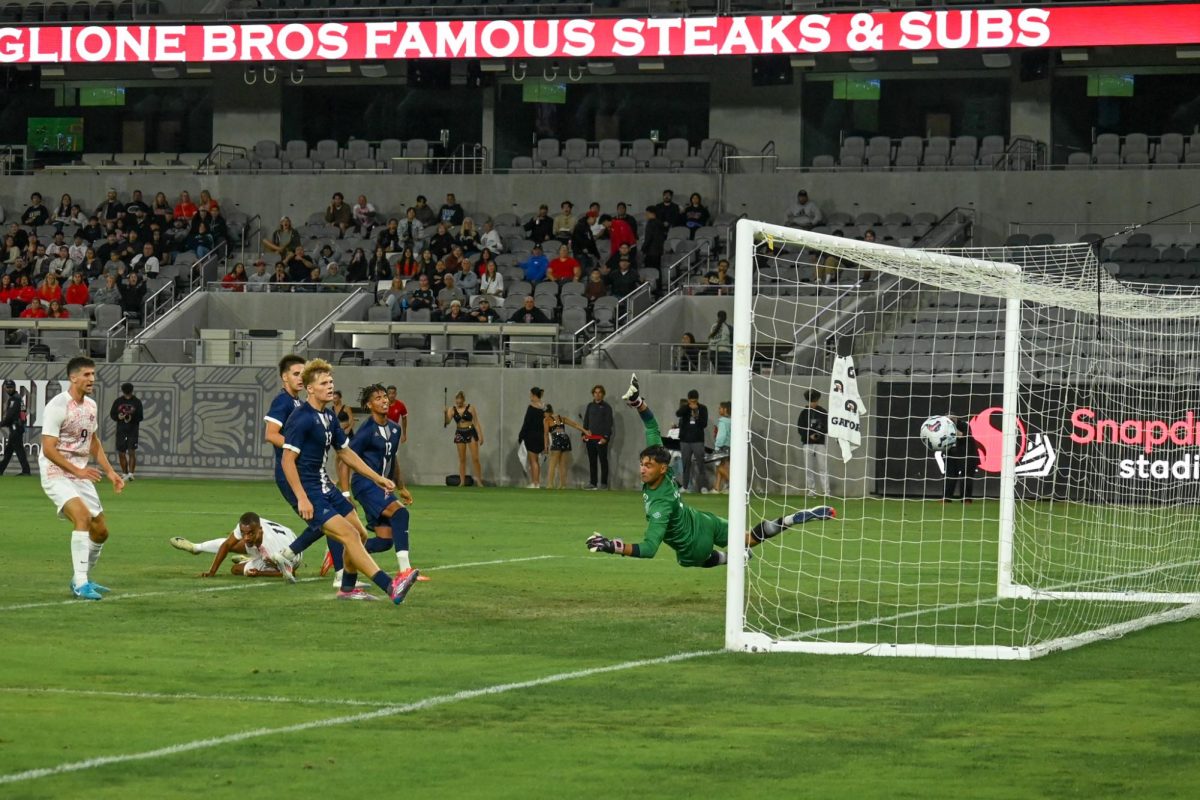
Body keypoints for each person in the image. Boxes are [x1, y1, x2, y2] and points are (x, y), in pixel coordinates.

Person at [585, 375, 835, 568]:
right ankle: (790, 520)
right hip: (703, 520)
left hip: (695, 544)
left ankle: (729, 559)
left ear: (662, 468)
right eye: (642, 464)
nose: (642, 469)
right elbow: (651, 424)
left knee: (687, 560)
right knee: (748, 538)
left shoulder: (659, 504)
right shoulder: (667, 471)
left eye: (647, 465)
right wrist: (638, 402)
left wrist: (612, 546)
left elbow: (649, 549)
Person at [271, 359, 419, 603]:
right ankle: (391, 586)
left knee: (360, 535)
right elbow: (287, 461)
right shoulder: (301, 417)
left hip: (324, 486)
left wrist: (378, 478)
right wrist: (302, 498)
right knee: (349, 535)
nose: (330, 386)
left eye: (331, 382)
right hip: (309, 490)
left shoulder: (328, 415)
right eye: (324, 383)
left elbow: (346, 453)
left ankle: (347, 588)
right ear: (310, 388)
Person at [39, 357, 125, 600]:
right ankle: (81, 583)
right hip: (56, 471)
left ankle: (82, 576)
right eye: (87, 375)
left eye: (93, 375)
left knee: (101, 531)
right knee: (82, 517)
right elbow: (48, 448)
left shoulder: (91, 406)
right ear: (73, 377)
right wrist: (76, 471)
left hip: (80, 472)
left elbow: (93, 441)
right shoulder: (58, 406)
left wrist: (110, 472)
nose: (92, 379)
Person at [348, 384, 427, 582]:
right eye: (377, 398)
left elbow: (393, 460)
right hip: (365, 485)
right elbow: (345, 458)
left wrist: (401, 487)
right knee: (401, 513)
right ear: (368, 404)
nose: (384, 400)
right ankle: (405, 571)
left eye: (385, 396)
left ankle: (345, 551)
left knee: (384, 541)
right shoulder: (366, 431)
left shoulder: (395, 429)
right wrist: (345, 493)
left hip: (383, 487)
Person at [170, 511, 300, 578]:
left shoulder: (272, 548)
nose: (246, 537)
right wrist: (212, 572)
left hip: (291, 555)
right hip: (283, 535)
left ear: (259, 530)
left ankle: (252, 558)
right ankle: (196, 547)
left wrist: (260, 573)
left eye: (250, 534)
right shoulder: (249, 526)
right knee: (233, 544)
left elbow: (291, 571)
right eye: (243, 533)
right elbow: (227, 545)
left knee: (235, 570)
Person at [543, 403, 588, 490]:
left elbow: (545, 434)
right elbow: (575, 425)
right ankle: (563, 485)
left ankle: (550, 484)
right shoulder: (561, 418)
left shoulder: (546, 419)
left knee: (552, 464)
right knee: (562, 465)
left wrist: (546, 447)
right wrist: (585, 431)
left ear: (545, 412)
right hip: (565, 439)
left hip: (556, 439)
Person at [444, 390, 484, 487]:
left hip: (470, 431)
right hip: (460, 432)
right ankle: (462, 482)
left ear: (463, 400)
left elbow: (476, 422)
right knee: (462, 459)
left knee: (475, 458)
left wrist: (480, 435)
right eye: (457, 401)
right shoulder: (452, 410)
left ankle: (479, 481)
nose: (458, 403)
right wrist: (445, 413)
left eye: (460, 401)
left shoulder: (470, 408)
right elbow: (447, 422)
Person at [797, 388, 830, 496]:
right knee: (808, 468)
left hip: (820, 443)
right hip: (807, 443)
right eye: (811, 401)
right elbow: (800, 429)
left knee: (823, 467)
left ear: (818, 400)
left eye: (815, 400)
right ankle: (811, 490)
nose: (813, 403)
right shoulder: (804, 413)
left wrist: (817, 435)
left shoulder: (823, 412)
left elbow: (826, 427)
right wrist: (809, 435)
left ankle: (826, 491)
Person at [108, 382, 143, 482]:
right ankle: (124, 473)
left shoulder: (137, 402)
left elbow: (140, 416)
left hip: (132, 430)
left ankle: (131, 474)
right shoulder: (118, 401)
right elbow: (112, 414)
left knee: (132, 451)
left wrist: (131, 418)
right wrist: (118, 417)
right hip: (121, 430)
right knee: (121, 453)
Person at [676, 389, 709, 493]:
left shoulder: (703, 408)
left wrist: (696, 415)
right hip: (685, 440)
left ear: (697, 400)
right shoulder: (685, 408)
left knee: (701, 464)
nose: (693, 403)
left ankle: (703, 487)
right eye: (691, 401)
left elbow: (704, 424)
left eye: (695, 401)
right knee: (686, 464)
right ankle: (685, 487)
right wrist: (687, 407)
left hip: (698, 441)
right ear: (689, 400)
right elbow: (678, 413)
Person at [582, 384, 613, 490]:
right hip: (590, 439)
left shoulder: (607, 407)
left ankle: (603, 484)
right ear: (593, 394)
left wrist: (605, 437)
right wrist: (583, 434)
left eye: (599, 392)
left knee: (603, 461)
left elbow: (609, 424)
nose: (597, 395)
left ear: (603, 394)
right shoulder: (590, 406)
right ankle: (593, 483)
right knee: (592, 461)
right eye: (595, 392)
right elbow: (586, 421)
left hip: (601, 439)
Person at [516, 387, 546, 488]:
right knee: (536, 461)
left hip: (532, 436)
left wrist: (521, 435)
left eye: (530, 395)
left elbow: (526, 423)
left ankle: (535, 483)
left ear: (534, 395)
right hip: (541, 436)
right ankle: (537, 482)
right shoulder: (543, 407)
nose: (530, 397)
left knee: (533, 461)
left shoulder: (531, 407)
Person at [0, 379, 31, 476]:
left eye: (10, 387)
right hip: (18, 427)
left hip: (15, 428)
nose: (9, 389)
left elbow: (10, 416)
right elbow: (23, 414)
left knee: (18, 449)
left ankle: (26, 471)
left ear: (14, 387)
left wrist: (1, 424)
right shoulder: (18, 398)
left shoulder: (14, 399)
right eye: (7, 387)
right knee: (9, 451)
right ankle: (1, 469)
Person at [943, 415, 974, 504]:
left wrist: (953, 429)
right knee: (950, 476)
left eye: (951, 419)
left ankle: (966, 499)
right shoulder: (944, 427)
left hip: (967, 455)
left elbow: (963, 436)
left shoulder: (964, 425)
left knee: (966, 477)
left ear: (956, 419)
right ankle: (946, 498)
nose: (950, 421)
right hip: (952, 454)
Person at [711, 401, 731, 493]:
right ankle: (717, 488)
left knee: (720, 467)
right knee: (721, 466)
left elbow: (721, 436)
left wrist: (717, 447)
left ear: (725, 409)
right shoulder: (731, 421)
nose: (719, 410)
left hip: (723, 447)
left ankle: (733, 485)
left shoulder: (723, 421)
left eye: (720, 408)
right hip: (730, 446)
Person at [707, 309, 733, 374]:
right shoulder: (728, 327)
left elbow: (710, 339)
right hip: (724, 353)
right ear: (726, 317)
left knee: (719, 373)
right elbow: (732, 340)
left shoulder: (713, 326)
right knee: (727, 374)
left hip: (713, 353)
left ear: (717, 316)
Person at [642, 206, 665, 273]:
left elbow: (648, 238)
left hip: (650, 251)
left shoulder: (650, 223)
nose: (646, 215)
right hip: (658, 251)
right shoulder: (659, 223)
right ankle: (658, 283)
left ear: (651, 213)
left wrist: (643, 249)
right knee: (657, 270)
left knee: (649, 270)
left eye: (647, 213)